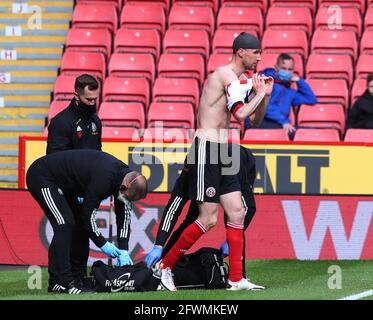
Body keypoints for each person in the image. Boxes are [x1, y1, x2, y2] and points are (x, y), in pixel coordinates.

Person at [152, 32, 273, 291]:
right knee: (207, 218)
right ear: (242, 52)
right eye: (256, 52)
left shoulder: (240, 81)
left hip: (225, 150)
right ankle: (164, 268)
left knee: (238, 212)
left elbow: (256, 121)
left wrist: (265, 95)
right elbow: (240, 114)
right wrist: (258, 93)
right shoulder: (224, 74)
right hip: (206, 149)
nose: (260, 57)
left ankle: (236, 278)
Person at [46, 74, 133, 287]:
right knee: (65, 227)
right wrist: (72, 190)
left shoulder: (95, 121)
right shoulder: (61, 122)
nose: (93, 103)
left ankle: (76, 277)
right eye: (88, 99)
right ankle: (57, 279)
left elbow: (97, 153)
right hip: (64, 186)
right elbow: (54, 159)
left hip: (86, 188)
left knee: (84, 229)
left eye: (95, 98)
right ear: (76, 94)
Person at [26, 150, 148, 294]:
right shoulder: (104, 179)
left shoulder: (124, 180)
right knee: (64, 224)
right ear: (124, 187)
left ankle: (62, 281)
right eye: (126, 197)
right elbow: (87, 215)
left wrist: (123, 249)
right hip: (42, 176)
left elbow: (123, 216)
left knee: (71, 225)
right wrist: (102, 243)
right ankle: (65, 283)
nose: (126, 201)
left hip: (65, 182)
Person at [146, 145, 263, 288]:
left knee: (237, 217)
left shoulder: (235, 167)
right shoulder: (190, 173)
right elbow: (173, 209)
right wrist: (159, 245)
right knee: (194, 219)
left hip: (239, 163)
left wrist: (230, 239)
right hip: (214, 165)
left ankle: (238, 277)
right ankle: (164, 264)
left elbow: (249, 207)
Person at [249, 53, 317, 139]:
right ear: (276, 68)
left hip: (280, 124)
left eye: (290, 69)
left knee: (305, 133)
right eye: (284, 68)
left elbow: (311, 99)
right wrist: (284, 121)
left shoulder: (290, 91)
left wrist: (299, 80)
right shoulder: (267, 83)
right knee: (296, 134)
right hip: (263, 122)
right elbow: (266, 108)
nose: (287, 72)